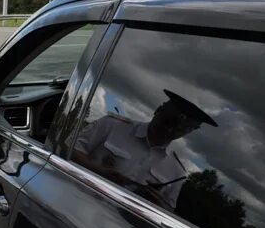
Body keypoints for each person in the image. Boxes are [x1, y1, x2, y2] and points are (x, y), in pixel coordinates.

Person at [71, 89, 218, 211]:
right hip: (73, 207)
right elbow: (69, 149)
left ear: (190, 131)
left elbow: (167, 213)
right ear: (158, 110)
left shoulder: (176, 172)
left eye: (180, 129)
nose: (170, 129)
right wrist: (99, 170)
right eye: (168, 120)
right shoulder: (112, 126)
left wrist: (154, 203)